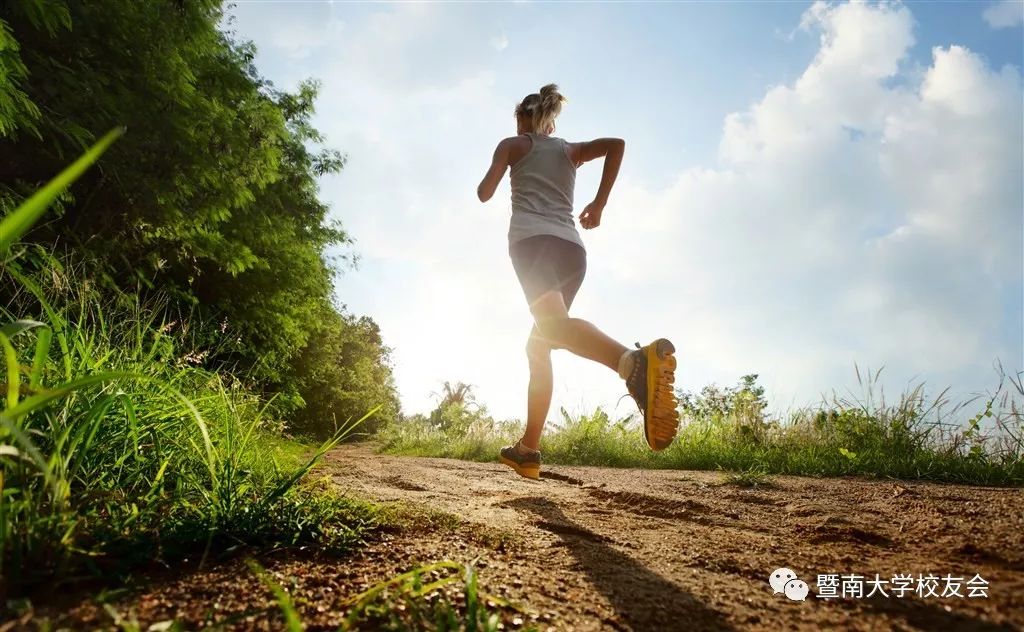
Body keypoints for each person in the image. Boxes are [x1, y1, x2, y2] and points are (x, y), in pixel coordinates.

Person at [476, 83, 679, 480]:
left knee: (551, 329)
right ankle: (528, 449)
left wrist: (502, 162)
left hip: (532, 243)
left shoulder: (513, 144)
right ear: (550, 123)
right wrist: (599, 203)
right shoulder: (570, 150)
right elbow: (616, 144)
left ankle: (632, 363)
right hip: (572, 250)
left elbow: (485, 193)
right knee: (540, 343)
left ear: (524, 121)